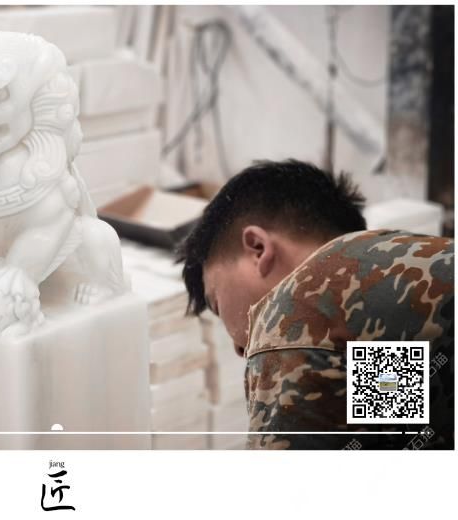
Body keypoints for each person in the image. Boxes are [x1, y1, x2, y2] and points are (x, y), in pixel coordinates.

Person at [179, 159, 454, 449]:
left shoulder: (295, 318)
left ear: (258, 249)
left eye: (217, 303)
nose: (238, 348)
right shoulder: (392, 291)